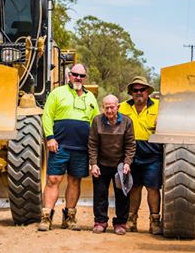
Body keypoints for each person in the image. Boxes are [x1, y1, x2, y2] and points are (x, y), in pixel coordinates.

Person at [39, 63, 99, 231]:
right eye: (75, 74)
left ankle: (70, 217)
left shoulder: (91, 98)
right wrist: (50, 137)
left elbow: (96, 123)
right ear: (68, 76)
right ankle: (46, 217)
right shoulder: (57, 93)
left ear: (85, 78)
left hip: (81, 148)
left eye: (81, 75)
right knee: (53, 180)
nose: (78, 78)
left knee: (75, 181)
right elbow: (47, 116)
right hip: (59, 146)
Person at [119, 76, 163, 235]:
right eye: (135, 90)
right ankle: (131, 219)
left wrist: (164, 121)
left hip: (153, 154)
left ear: (147, 92)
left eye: (142, 90)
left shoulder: (160, 107)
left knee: (153, 188)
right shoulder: (122, 107)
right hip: (130, 155)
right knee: (134, 187)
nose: (139, 93)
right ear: (131, 92)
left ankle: (155, 221)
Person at [88, 95, 136, 235]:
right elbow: (92, 144)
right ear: (103, 107)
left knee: (122, 195)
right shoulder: (97, 121)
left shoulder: (127, 121)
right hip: (102, 163)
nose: (109, 110)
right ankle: (100, 221)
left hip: (120, 165)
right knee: (100, 194)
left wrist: (127, 163)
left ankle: (120, 223)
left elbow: (130, 145)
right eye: (106, 107)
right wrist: (93, 164)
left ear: (118, 107)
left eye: (112, 107)